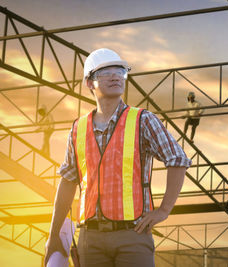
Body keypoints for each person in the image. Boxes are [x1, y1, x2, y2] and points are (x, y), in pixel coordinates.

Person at [44, 48, 191, 267]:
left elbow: (177, 159)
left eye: (120, 71)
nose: (115, 76)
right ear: (89, 82)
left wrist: (163, 210)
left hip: (132, 236)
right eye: (105, 72)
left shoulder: (143, 120)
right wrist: (54, 234)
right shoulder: (78, 128)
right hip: (90, 239)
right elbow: (67, 182)